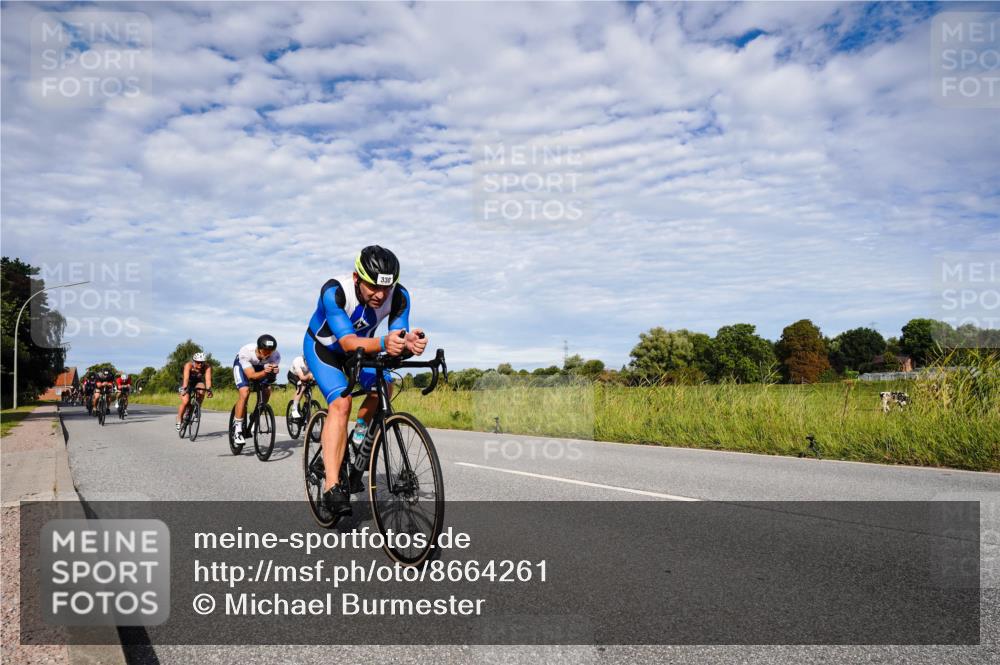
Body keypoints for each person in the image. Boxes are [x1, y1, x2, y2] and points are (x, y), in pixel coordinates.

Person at [303, 245, 426, 517]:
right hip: (325, 350)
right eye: (373, 287)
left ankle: (359, 436)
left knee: (385, 386)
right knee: (341, 403)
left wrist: (408, 342)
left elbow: (398, 333)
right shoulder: (335, 291)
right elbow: (347, 342)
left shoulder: (399, 296)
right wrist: (384, 342)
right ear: (357, 277)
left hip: (362, 349)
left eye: (386, 288)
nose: (380, 295)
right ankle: (332, 486)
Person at [232, 335, 281, 444]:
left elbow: (271, 374)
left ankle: (256, 415)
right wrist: (265, 372)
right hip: (243, 366)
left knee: (267, 390)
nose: (268, 354)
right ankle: (238, 429)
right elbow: (251, 376)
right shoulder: (246, 352)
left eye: (270, 351)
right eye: (265, 351)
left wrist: (274, 371)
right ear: (258, 348)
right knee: (244, 392)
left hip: (260, 367)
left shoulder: (275, 355)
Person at [176, 352, 214, 431]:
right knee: (186, 401)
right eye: (198, 362)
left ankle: (197, 408)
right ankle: (179, 419)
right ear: (194, 361)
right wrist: (185, 388)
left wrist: (209, 389)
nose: (200, 364)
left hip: (197, 382)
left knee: (202, 388)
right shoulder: (189, 365)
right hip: (186, 383)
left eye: (202, 362)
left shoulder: (207, 367)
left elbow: (208, 379)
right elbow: (186, 378)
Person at [287, 355, 314, 420]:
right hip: (294, 375)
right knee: (302, 386)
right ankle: (294, 409)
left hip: (305, 375)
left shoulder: (313, 363)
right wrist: (310, 376)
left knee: (308, 393)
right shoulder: (298, 361)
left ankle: (306, 411)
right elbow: (302, 377)